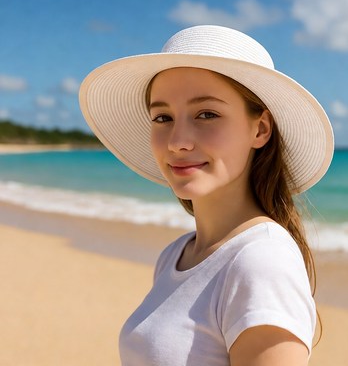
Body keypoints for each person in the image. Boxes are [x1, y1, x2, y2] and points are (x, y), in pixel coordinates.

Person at [79, 25, 334, 366]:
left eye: (207, 114)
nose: (177, 141)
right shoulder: (176, 255)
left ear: (260, 129)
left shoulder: (261, 261)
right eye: (163, 117)